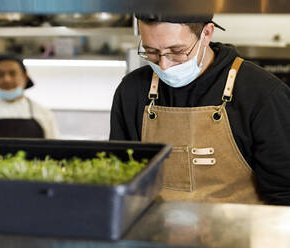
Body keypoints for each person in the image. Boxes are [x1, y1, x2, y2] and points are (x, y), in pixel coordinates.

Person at [109, 14, 290, 205]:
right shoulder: (132, 91)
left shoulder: (263, 94)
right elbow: (121, 182)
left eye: (177, 51)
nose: (164, 65)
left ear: (206, 33)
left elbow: (284, 195)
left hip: (239, 232)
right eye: (151, 52)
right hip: (152, 231)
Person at [0, 54, 59, 139]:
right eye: (1, 74)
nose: (7, 79)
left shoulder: (44, 114)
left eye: (12, 74)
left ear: (25, 78)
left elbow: (56, 152)